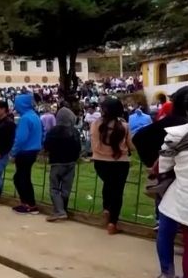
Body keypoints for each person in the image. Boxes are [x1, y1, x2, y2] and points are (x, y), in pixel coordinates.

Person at [156, 93, 188, 278]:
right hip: (183, 196)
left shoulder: (174, 136)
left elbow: (164, 165)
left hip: (184, 197)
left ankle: (171, 277)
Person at [91, 98, 134, 235]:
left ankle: (106, 209)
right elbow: (131, 145)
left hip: (100, 162)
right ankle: (112, 223)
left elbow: (93, 144)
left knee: (108, 184)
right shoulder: (124, 126)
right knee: (117, 191)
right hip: (120, 162)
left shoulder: (95, 124)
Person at [43, 106, 81, 222]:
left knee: (54, 188)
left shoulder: (52, 131)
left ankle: (59, 211)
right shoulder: (74, 131)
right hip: (71, 163)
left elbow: (46, 146)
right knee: (66, 188)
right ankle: (62, 209)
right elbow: (78, 148)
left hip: (56, 162)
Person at [9, 93, 42, 214]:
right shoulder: (34, 116)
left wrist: (13, 152)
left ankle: (29, 204)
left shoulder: (25, 118)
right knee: (22, 177)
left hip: (25, 151)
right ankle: (27, 203)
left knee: (21, 178)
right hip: (33, 150)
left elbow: (21, 138)